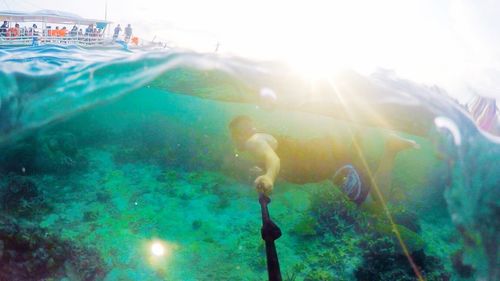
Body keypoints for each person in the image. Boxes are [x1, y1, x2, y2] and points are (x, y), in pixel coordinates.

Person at [228, 115, 419, 207]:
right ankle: (359, 130)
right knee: (353, 154)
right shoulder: (259, 141)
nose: (235, 140)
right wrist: (264, 171)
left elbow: (273, 158)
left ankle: (390, 149)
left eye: (235, 135)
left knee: (375, 204)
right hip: (324, 156)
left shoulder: (253, 141)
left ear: (240, 134)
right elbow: (273, 156)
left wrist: (269, 176)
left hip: (327, 164)